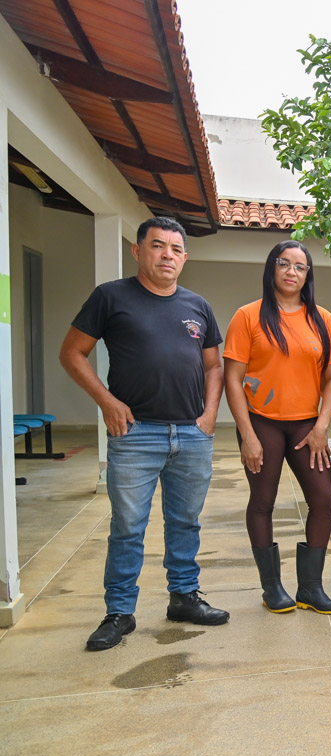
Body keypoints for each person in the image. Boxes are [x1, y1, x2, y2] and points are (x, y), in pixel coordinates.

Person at [61, 217, 230, 651]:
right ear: (138, 251)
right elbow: (72, 353)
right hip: (136, 434)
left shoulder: (197, 305)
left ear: (184, 257)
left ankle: (184, 597)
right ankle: (119, 612)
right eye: (157, 246)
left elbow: (214, 366)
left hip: (191, 434)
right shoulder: (110, 297)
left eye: (175, 249)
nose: (166, 255)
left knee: (185, 522)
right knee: (128, 526)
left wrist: (210, 414)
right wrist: (107, 402)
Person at [224, 241, 331, 615]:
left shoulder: (321, 319)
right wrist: (247, 435)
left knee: (323, 498)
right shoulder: (248, 316)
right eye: (284, 264)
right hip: (262, 422)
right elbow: (233, 379)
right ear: (271, 268)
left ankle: (311, 588)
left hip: (307, 425)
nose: (292, 272)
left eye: (300, 266)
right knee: (263, 501)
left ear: (308, 275)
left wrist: (322, 426)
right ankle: (272, 588)